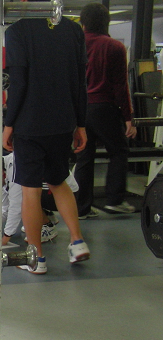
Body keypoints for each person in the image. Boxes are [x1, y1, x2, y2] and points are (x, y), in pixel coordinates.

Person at [2, 1, 91, 274]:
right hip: (63, 120)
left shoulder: (17, 31)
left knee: (30, 190)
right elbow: (80, 81)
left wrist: (9, 123)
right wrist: (80, 123)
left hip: (30, 122)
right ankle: (77, 241)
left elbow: (19, 82)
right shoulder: (73, 30)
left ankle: (36, 259)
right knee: (58, 179)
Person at [74, 2, 137, 218]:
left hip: (80, 109)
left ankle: (82, 208)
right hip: (104, 108)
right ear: (106, 23)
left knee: (84, 157)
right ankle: (114, 200)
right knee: (118, 151)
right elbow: (121, 86)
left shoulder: (75, 45)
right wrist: (128, 117)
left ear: (83, 23)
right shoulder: (115, 47)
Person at [2, 152, 79, 251]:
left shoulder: (15, 166)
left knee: (27, 196)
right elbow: (5, 208)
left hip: (67, 194)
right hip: (53, 191)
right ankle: (47, 215)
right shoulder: (3, 166)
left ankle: (47, 226)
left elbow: (16, 206)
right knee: (27, 192)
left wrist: (5, 238)